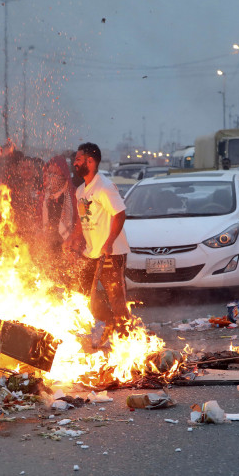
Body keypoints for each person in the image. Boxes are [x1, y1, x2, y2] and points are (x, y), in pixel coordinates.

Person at [73, 142, 131, 344]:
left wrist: (109, 242)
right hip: (91, 253)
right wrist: (73, 239)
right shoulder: (81, 190)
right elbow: (83, 219)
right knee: (82, 295)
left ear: (90, 161)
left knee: (117, 300)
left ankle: (126, 343)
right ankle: (110, 322)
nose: (75, 163)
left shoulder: (104, 186)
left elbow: (120, 214)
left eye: (78, 159)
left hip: (111, 253)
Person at [38, 155, 84, 278]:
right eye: (50, 173)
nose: (52, 177)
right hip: (49, 246)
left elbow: (81, 221)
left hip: (70, 246)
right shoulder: (44, 197)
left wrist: (74, 241)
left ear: (64, 174)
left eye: (56, 173)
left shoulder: (75, 195)